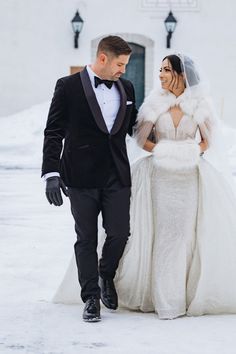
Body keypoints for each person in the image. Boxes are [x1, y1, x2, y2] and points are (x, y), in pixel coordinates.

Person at [52, 54, 236, 319]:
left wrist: (188, 153)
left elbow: (207, 141)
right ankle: (157, 297)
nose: (160, 74)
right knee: (158, 233)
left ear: (181, 75)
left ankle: (179, 295)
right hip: (158, 176)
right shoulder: (154, 103)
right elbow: (141, 139)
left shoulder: (200, 104)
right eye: (159, 69)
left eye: (165, 70)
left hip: (189, 177)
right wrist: (163, 151)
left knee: (183, 234)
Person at [41, 35, 137, 322]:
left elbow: (135, 128)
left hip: (117, 175)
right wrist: (51, 173)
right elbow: (53, 131)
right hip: (80, 176)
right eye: (120, 64)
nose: (124, 70)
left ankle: (106, 275)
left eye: (127, 65)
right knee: (86, 238)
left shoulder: (127, 88)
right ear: (103, 58)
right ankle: (91, 297)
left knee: (120, 232)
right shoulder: (68, 86)